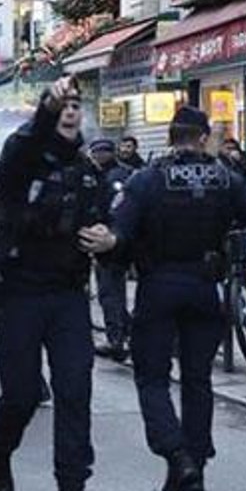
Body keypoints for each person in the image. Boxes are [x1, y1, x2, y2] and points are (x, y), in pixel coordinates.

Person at [109, 106, 246, 491]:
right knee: (197, 379)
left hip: (159, 286)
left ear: (170, 137)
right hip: (206, 288)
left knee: (152, 377)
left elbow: (120, 232)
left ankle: (176, 455)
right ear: (203, 137)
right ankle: (197, 463)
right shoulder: (225, 178)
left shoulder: (147, 179)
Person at [0, 76, 118, 491]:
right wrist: (47, 104)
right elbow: (23, 147)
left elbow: (109, 224)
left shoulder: (87, 171)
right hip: (18, 293)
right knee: (21, 395)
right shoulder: (21, 157)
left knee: (75, 391)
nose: (70, 112)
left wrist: (108, 239)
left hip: (66, 295)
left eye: (77, 105)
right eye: (63, 105)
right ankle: (0, 450)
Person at [89, 139, 133, 362]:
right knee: (114, 289)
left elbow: (107, 209)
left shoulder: (108, 177)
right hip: (127, 238)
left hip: (111, 240)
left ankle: (116, 339)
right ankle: (125, 333)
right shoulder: (126, 173)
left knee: (109, 291)